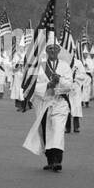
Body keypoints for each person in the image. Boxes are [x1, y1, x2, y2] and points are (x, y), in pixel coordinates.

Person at [22, 33, 77, 172]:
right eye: (50, 49)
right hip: (44, 103)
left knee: (58, 131)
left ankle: (58, 161)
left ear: (59, 50)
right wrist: (48, 86)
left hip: (60, 103)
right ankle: (50, 160)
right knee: (46, 132)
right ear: (46, 51)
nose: (53, 51)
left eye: (55, 49)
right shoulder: (39, 67)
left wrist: (59, 81)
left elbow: (69, 86)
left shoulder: (64, 66)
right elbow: (34, 86)